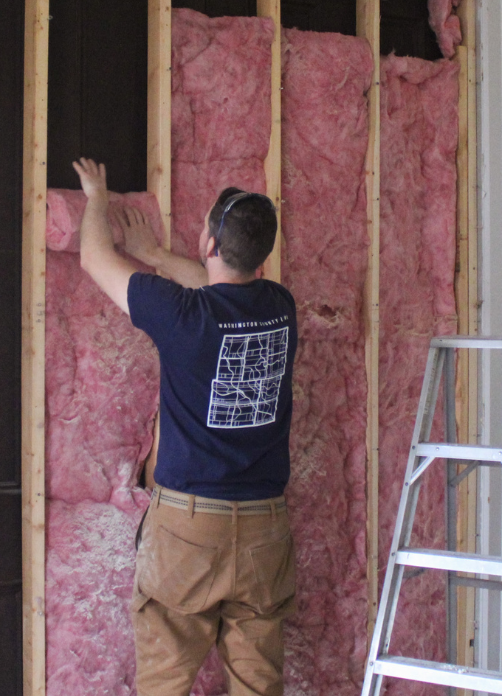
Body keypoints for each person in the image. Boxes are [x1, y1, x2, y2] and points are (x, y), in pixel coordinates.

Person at [71, 157, 298, 696]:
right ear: (262, 256)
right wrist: (154, 255)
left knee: (165, 681)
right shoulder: (279, 308)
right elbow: (219, 292)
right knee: (258, 685)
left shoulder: (181, 315)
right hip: (265, 533)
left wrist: (96, 195)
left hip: (189, 531)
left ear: (210, 241)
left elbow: (94, 258)